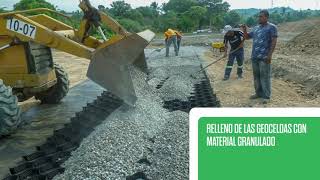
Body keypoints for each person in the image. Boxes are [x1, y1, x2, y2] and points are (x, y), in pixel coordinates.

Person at [241, 10, 278, 104]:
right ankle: (258, 93)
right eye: (258, 16)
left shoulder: (272, 27)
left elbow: (274, 42)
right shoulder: (256, 28)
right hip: (255, 56)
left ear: (266, 17)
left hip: (264, 57)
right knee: (256, 77)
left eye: (261, 16)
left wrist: (270, 55)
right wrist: (244, 30)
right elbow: (247, 37)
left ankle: (266, 96)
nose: (259, 18)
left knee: (265, 76)